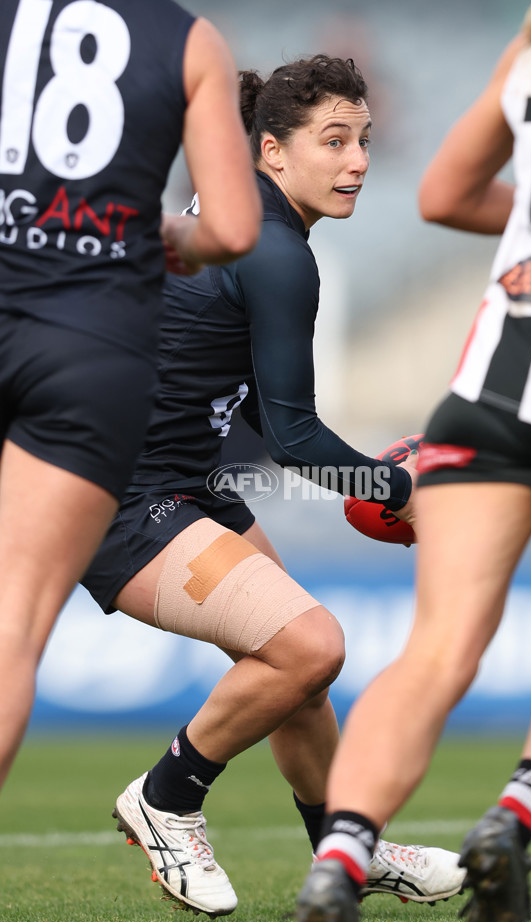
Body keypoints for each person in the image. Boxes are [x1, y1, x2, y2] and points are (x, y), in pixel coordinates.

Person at [80, 55, 466, 920]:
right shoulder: (276, 251)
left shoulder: (235, 220)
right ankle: (167, 799)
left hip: (180, 477)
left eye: (363, 139)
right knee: (310, 646)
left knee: (301, 679)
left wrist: (376, 478)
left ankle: (348, 851)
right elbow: (291, 438)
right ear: (272, 151)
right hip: (129, 496)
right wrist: (402, 489)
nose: (358, 160)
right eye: (333, 141)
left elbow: (250, 398)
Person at [295, 2, 531, 922]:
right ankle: (513, 816)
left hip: (495, 374)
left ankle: (340, 859)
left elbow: (443, 194)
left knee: (434, 652)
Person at [0, 0, 261, 794]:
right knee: (13, 629)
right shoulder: (189, 39)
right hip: (86, 344)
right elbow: (230, 229)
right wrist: (149, 232)